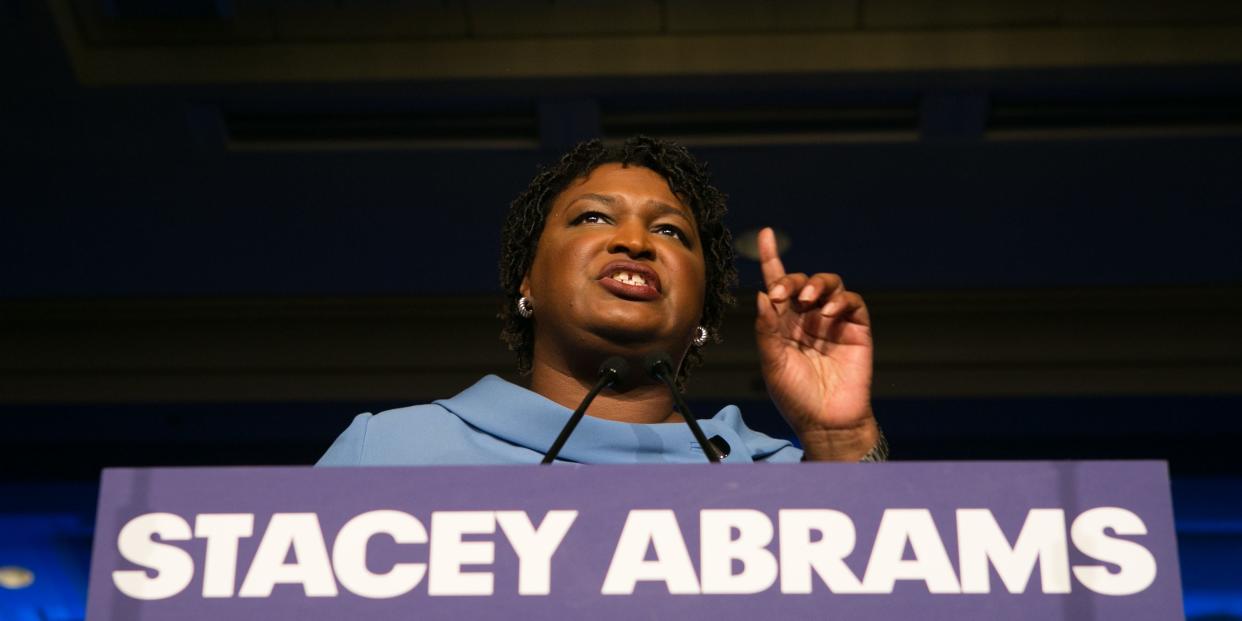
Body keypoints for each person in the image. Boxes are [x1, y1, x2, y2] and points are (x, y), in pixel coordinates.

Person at [318, 136, 885, 466]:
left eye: (670, 233)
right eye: (593, 217)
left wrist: (840, 441)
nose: (635, 242)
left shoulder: (781, 475)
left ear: (702, 314)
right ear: (528, 281)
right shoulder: (393, 452)